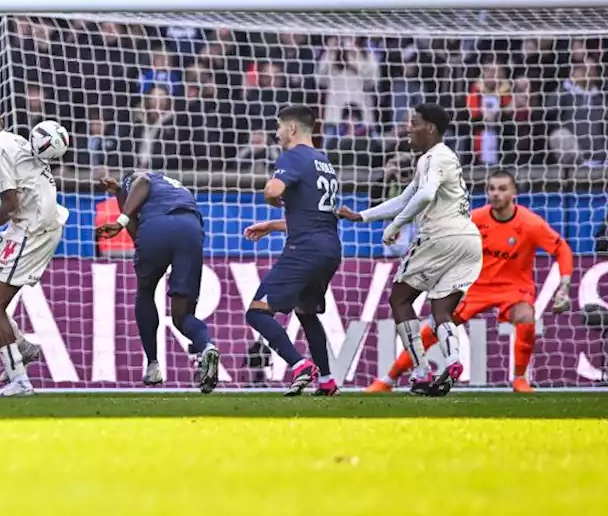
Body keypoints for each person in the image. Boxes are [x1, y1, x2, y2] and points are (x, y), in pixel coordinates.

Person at [365, 170, 573, 393]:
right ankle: (388, 379)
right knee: (432, 328)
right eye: (491, 189)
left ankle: (520, 379)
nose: (495, 194)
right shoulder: (475, 219)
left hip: (514, 289)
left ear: (514, 192)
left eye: (502, 189)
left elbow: (561, 248)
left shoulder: (530, 223)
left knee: (526, 317)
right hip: (473, 288)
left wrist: (565, 285)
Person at [338, 103, 482, 397]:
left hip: (440, 236)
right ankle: (453, 361)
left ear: (430, 127)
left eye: (413, 122)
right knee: (441, 309)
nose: (408, 128)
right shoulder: (444, 157)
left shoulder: (432, 157)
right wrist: (363, 216)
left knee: (400, 299)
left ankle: (419, 371)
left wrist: (395, 227)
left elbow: (425, 195)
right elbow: (407, 197)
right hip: (468, 239)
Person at [0, 102, 68, 398]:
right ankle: (20, 344)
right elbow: (23, 180)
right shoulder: (16, 139)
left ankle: (20, 380)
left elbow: (11, 205)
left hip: (33, 229)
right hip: (28, 223)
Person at [242, 105, 343, 396]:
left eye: (279, 127)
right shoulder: (324, 162)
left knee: (257, 313)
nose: (277, 133)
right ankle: (326, 380)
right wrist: (274, 225)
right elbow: (313, 213)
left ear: (292, 129)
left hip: (305, 248)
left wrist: (273, 197)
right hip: (329, 248)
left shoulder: (293, 156)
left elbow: (273, 191)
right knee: (306, 312)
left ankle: (299, 365)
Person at [96, 172, 220, 391]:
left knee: (145, 291)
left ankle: (152, 364)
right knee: (182, 316)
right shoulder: (173, 186)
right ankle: (207, 346)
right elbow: (134, 217)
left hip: (157, 227)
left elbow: (141, 183)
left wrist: (121, 220)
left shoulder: (135, 178)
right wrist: (118, 194)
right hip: (191, 230)